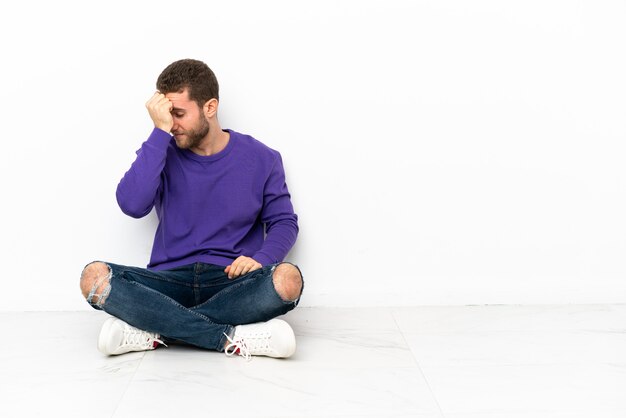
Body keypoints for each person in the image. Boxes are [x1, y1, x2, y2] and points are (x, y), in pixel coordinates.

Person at [79, 59, 303, 360]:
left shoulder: (263, 158)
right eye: (165, 116)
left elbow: (284, 222)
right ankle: (229, 337)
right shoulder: (160, 149)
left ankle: (155, 327)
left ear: (210, 107)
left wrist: (260, 259)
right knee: (93, 278)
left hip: (231, 282)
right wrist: (159, 133)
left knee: (288, 280)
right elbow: (132, 205)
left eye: (179, 114)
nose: (172, 124)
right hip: (168, 281)